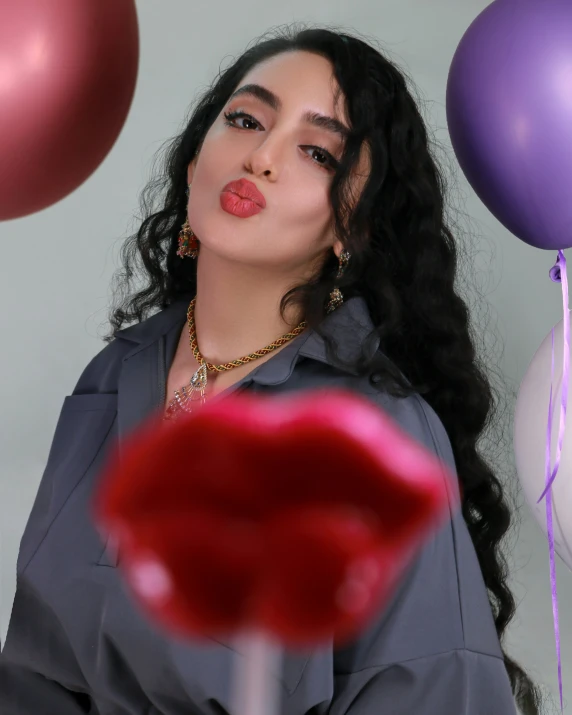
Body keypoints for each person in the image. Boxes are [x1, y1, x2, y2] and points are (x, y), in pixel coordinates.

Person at [0, 24, 543, 715]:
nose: (260, 156)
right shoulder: (113, 376)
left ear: (354, 228)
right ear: (195, 161)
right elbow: (31, 675)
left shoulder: (380, 437)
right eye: (246, 119)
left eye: (317, 151)